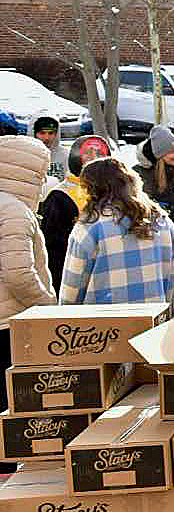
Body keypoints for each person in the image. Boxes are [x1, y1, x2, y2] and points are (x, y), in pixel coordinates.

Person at [0, 136, 59, 473]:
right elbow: (20, 274)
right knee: (9, 404)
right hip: (11, 324)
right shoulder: (16, 213)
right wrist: (46, 304)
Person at [58, 157, 174, 306]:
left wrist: (64, 316)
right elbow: (171, 279)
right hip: (153, 318)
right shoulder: (162, 221)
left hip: (102, 324)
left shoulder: (90, 226)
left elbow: (73, 283)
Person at [38, 135, 112, 291]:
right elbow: (52, 250)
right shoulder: (61, 195)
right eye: (88, 153)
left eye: (100, 153)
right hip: (73, 276)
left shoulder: (115, 193)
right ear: (75, 158)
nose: (94, 158)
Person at [33, 117, 67, 183]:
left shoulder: (65, 154)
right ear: (35, 134)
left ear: (56, 134)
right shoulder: (26, 153)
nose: (46, 138)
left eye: (51, 133)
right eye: (42, 133)